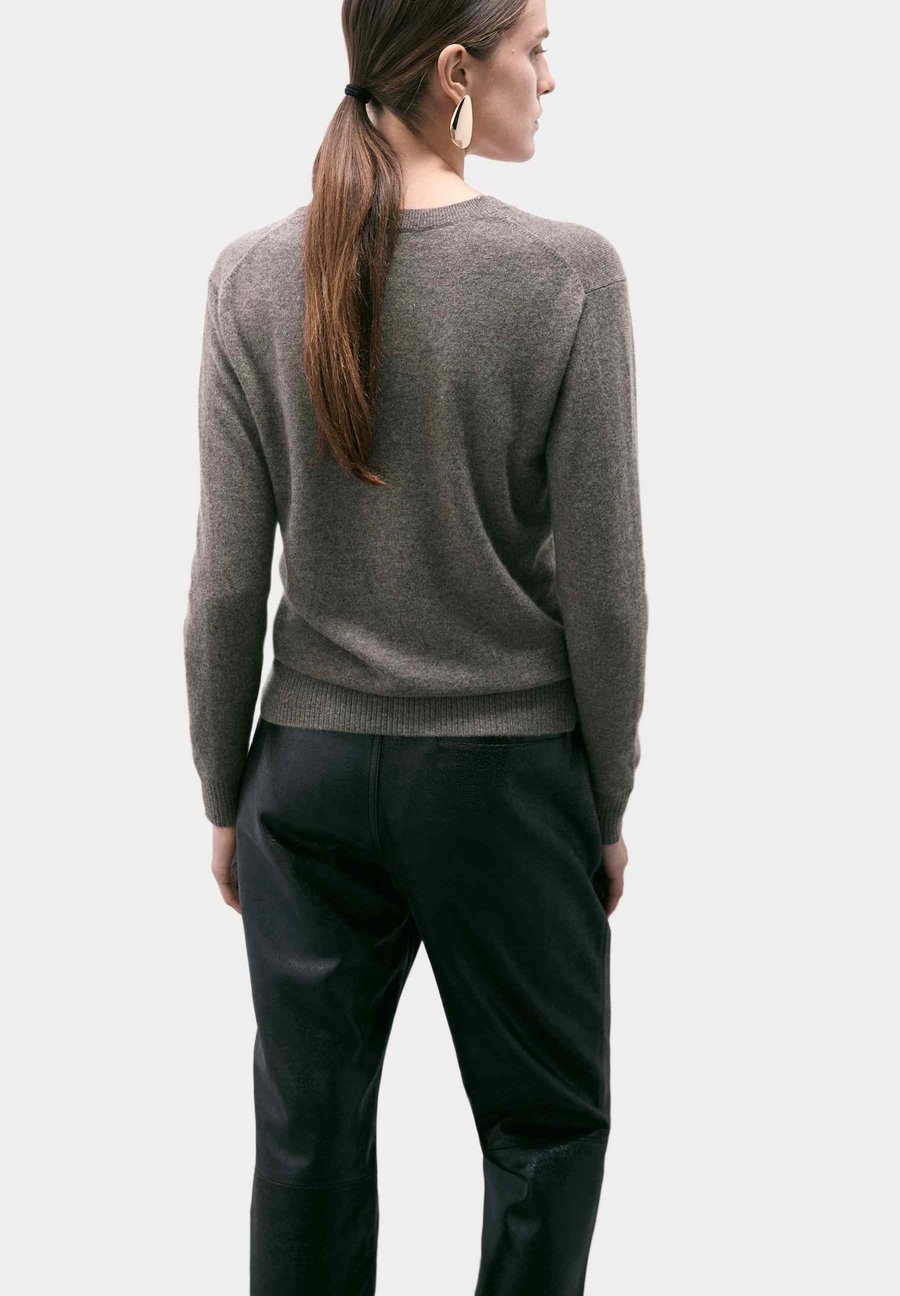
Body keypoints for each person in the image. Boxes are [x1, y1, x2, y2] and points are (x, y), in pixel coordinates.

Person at [183, 0, 648, 1290]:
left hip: (307, 782)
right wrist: (605, 801)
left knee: (308, 1148)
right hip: (509, 781)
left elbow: (225, 586)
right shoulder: (569, 277)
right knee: (544, 1134)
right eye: (534, 48)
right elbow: (608, 591)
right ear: (455, 71)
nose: (550, 79)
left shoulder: (249, 277)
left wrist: (226, 794)